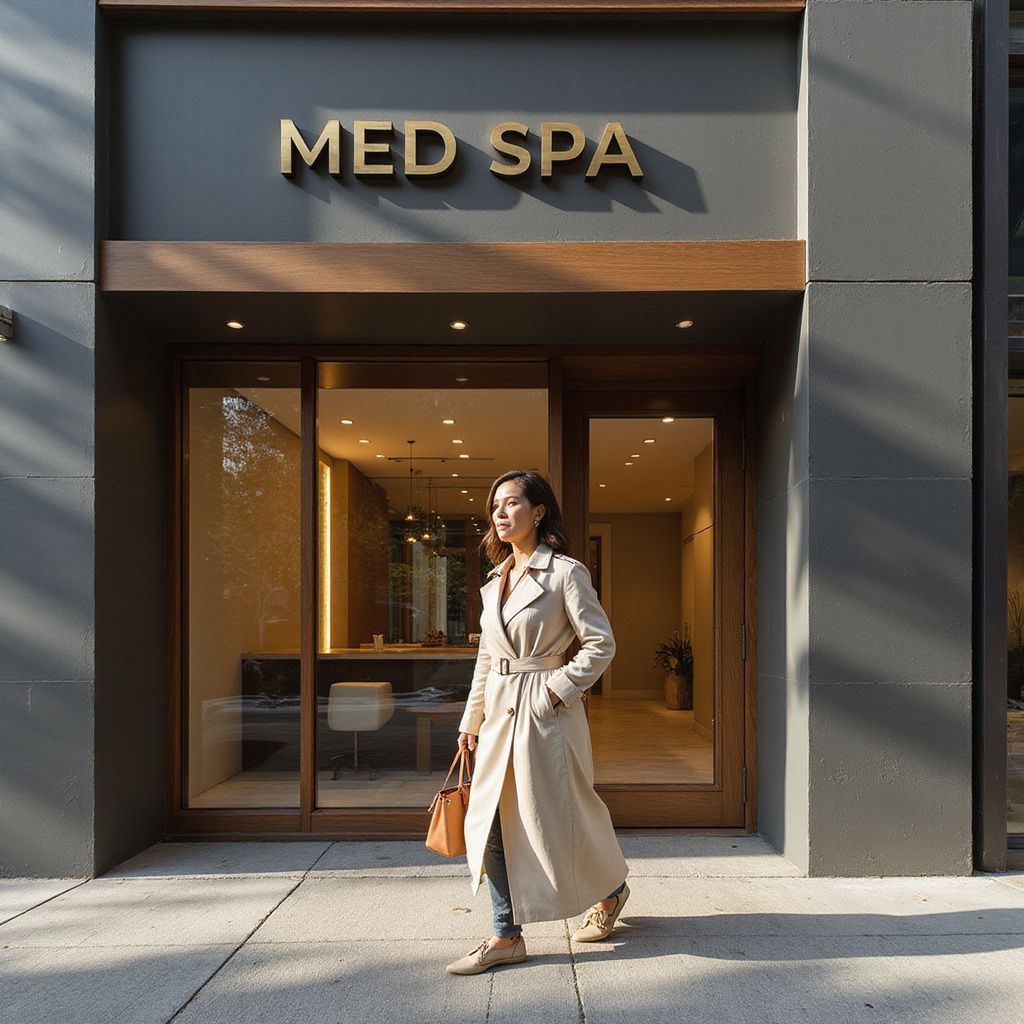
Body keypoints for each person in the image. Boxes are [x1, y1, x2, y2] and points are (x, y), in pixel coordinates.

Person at [445, 470, 630, 976]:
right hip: (498, 713)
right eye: (495, 506)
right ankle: (506, 935)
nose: (500, 513)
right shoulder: (494, 581)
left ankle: (611, 890)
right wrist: (470, 721)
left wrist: (555, 691)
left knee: (566, 817)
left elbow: (601, 644)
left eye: (511, 503)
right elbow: (488, 658)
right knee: (490, 819)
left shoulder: (565, 573)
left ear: (539, 510)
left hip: (544, 712)